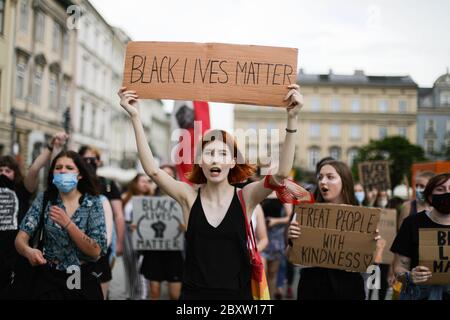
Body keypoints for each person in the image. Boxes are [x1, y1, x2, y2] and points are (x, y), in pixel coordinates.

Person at [118, 84, 302, 300]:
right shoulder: (188, 196)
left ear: (233, 162)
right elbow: (152, 170)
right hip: (194, 298)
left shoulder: (246, 196)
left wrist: (292, 118)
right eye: (209, 153)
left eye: (223, 153)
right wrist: (135, 117)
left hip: (237, 298)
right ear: (200, 161)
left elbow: (280, 174)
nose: (215, 159)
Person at [14, 151, 107, 300]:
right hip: (50, 279)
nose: (63, 170)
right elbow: (20, 239)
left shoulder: (92, 203)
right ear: (53, 173)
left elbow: (96, 250)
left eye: (69, 168)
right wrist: (28, 251)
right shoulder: (45, 199)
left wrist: (68, 224)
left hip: (81, 278)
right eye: (58, 167)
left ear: (80, 175)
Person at [288, 160, 380, 300]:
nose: (323, 181)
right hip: (312, 287)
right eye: (320, 177)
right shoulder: (306, 213)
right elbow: (291, 259)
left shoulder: (363, 218)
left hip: (348, 288)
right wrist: (292, 241)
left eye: (330, 177)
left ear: (344, 181)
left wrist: (372, 245)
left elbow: (371, 263)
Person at [0, 132, 68, 299]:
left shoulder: (21, 191)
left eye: (8, 170)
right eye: (0, 170)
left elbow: (35, 169)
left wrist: (51, 147)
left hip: (17, 255)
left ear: (15, 174)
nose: (3, 174)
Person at [391, 173, 450, 300]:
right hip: (418, 295)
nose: (447, 193)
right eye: (440, 189)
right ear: (429, 195)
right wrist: (410, 276)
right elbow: (399, 267)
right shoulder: (412, 223)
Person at [78, 146, 125, 298]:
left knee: (100, 283)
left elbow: (118, 214)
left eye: (92, 159)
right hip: (77, 240)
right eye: (84, 159)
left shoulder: (107, 185)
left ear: (99, 162)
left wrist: (119, 243)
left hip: (103, 242)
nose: (88, 162)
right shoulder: (74, 182)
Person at [140, 165, 185, 300]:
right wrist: (137, 227)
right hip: (154, 251)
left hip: (174, 250)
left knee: (175, 294)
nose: (165, 178)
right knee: (154, 292)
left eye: (169, 175)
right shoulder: (149, 196)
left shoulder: (181, 197)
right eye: (162, 174)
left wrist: (185, 226)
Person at [121, 173, 156, 300]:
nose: (145, 183)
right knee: (129, 265)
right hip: (127, 233)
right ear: (135, 182)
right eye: (142, 181)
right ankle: (131, 294)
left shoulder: (152, 199)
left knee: (141, 265)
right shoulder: (125, 197)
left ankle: (141, 295)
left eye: (148, 181)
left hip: (143, 234)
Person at [260, 192, 293, 299]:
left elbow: (290, 217)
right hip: (261, 236)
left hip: (276, 238)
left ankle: (270, 297)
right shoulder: (261, 191)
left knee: (272, 273)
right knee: (262, 272)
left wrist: (275, 221)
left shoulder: (283, 194)